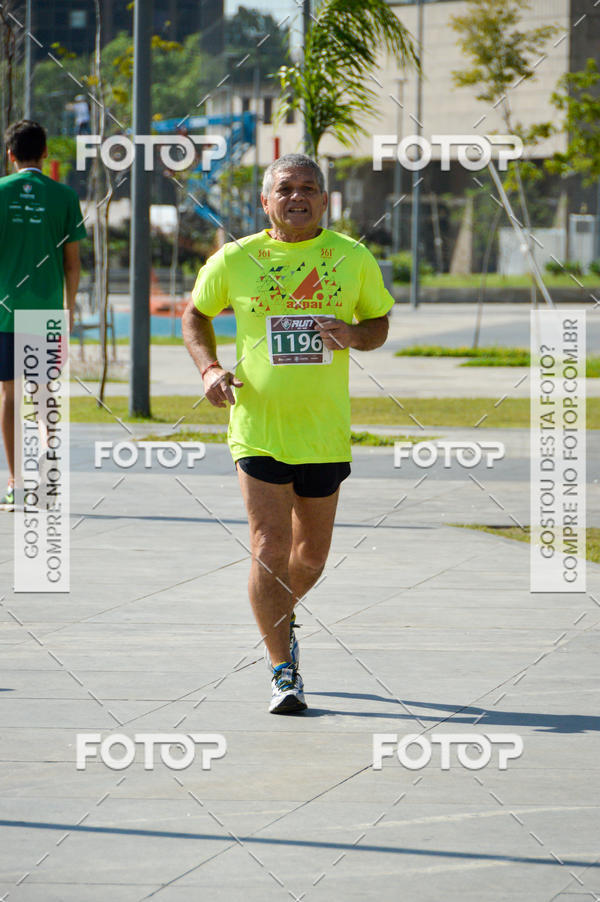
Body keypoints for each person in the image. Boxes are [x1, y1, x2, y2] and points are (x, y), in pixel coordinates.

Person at [183, 153, 394, 714]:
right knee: (269, 548)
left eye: (308, 188)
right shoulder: (237, 257)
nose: (296, 197)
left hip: (324, 434)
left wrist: (352, 333)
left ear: (325, 200)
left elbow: (378, 324)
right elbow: (195, 315)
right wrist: (209, 368)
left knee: (311, 558)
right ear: (265, 201)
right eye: (285, 189)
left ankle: (275, 618)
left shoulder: (352, 258)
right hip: (257, 426)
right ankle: (283, 670)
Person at [0, 120, 86, 510]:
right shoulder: (65, 197)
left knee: (9, 394)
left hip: (3, 312)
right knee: (44, 397)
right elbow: (73, 263)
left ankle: (17, 483)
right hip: (47, 310)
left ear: (10, 154)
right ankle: (48, 482)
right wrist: (68, 309)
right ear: (46, 153)